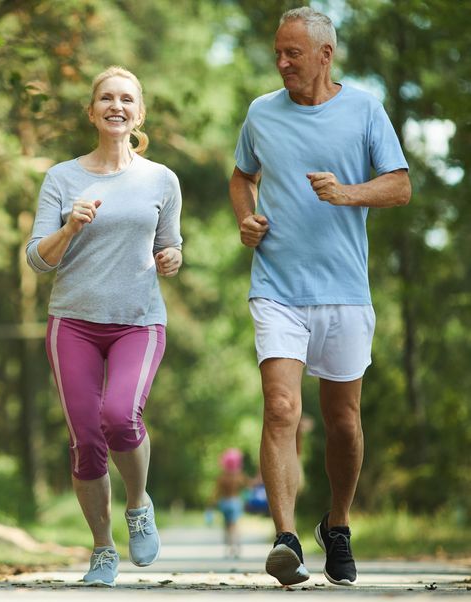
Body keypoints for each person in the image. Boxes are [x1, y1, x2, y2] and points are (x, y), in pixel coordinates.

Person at [229, 6, 411, 587]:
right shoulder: (261, 112)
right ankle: (285, 539)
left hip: (344, 291)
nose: (281, 62)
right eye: (277, 53)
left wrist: (348, 192)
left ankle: (336, 524)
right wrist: (246, 219)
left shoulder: (364, 109)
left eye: (292, 53)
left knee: (344, 423)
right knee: (281, 408)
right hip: (277, 286)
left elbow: (401, 186)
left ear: (325, 55)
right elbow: (241, 176)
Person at [26, 65, 183, 587]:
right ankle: (102, 547)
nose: (117, 106)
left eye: (127, 99)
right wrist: (70, 226)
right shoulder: (62, 178)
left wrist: (172, 258)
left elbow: (169, 244)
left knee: (120, 416)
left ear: (139, 112)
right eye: (107, 98)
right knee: (86, 439)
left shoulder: (161, 179)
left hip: (138, 322)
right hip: (72, 322)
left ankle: (138, 504)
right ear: (92, 111)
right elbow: (36, 259)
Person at [211, 448, 249, 558]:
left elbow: (216, 492)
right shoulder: (239, 476)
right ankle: (236, 546)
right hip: (235, 502)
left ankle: (228, 547)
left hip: (224, 503)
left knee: (226, 526)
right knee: (235, 526)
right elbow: (247, 486)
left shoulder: (222, 477)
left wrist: (212, 503)